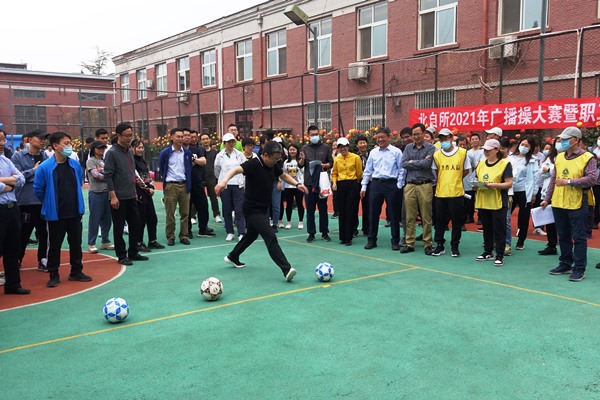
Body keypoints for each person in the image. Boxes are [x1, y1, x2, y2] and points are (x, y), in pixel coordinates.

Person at [216, 141, 308, 282]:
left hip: (263, 208)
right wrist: (223, 182)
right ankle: (286, 269)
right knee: (270, 236)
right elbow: (235, 170)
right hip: (251, 209)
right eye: (274, 159)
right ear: (265, 155)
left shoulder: (272, 165)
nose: (276, 162)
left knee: (251, 235)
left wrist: (297, 184)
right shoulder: (253, 164)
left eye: (278, 159)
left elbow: (283, 176)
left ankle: (233, 256)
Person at [33, 131, 92, 287]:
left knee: (76, 244)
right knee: (54, 245)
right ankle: (53, 273)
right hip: (55, 214)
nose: (69, 146)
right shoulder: (45, 167)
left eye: (70, 143)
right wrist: (49, 202)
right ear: (55, 146)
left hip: (74, 212)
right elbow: (38, 190)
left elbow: (79, 182)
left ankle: (76, 271)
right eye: (66, 143)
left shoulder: (75, 165)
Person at [541, 127, 597, 282]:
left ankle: (579, 268)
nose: (563, 141)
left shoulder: (588, 157)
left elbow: (592, 179)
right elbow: (554, 179)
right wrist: (547, 198)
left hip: (577, 202)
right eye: (562, 139)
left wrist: (569, 182)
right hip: (559, 202)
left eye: (566, 139)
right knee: (563, 236)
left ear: (576, 140)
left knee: (579, 237)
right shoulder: (559, 157)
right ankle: (565, 263)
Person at [103, 123, 148, 266]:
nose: (129, 138)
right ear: (118, 135)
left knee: (136, 224)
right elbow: (108, 176)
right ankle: (121, 255)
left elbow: (132, 174)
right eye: (127, 136)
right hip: (119, 197)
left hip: (131, 196)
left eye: (131, 135)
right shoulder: (111, 153)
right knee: (119, 227)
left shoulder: (129, 152)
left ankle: (133, 251)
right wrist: (113, 196)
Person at [360, 127, 404, 250]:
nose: (380, 140)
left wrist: (399, 185)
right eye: (378, 137)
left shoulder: (396, 152)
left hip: (392, 184)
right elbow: (368, 170)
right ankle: (372, 240)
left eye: (383, 137)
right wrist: (364, 186)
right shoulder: (373, 152)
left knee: (394, 214)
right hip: (376, 184)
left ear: (388, 137)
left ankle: (395, 241)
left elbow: (401, 169)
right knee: (373, 213)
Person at [11, 129, 49, 272]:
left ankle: (43, 259)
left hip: (43, 202)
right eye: (39, 138)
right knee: (23, 233)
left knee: (44, 233)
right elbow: (17, 178)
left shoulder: (45, 156)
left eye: (44, 138)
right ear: (29, 139)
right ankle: (17, 259)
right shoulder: (18, 156)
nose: (42, 141)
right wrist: (34, 170)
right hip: (26, 202)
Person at [474, 139, 513, 267]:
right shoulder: (481, 164)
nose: (486, 152)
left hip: (498, 201)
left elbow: (509, 183)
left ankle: (500, 254)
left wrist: (494, 185)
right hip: (484, 200)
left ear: (497, 150)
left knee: (499, 229)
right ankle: (488, 251)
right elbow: (477, 180)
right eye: (485, 150)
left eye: (489, 150)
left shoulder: (505, 164)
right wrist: (476, 186)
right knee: (487, 228)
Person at [0, 130, 30, 294]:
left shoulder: (6, 160)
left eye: (3, 139)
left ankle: (13, 284)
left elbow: (21, 179)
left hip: (12, 209)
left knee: (13, 248)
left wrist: (4, 182)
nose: (2, 143)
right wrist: (8, 184)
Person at [431, 129, 469, 257]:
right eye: (441, 139)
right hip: (440, 193)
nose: (444, 141)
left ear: (452, 138)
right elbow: (436, 172)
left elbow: (466, 170)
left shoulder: (462, 153)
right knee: (439, 221)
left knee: (457, 221)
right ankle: (439, 245)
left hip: (456, 192)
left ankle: (455, 246)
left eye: (446, 138)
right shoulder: (437, 155)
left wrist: (455, 180)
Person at [401, 123, 436, 255]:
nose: (415, 136)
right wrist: (418, 162)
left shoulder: (430, 148)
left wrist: (412, 162)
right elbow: (404, 164)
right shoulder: (408, 148)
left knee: (426, 216)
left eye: (418, 134)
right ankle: (409, 243)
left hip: (425, 184)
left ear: (424, 133)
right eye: (413, 134)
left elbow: (427, 164)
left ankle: (428, 243)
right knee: (409, 216)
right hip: (410, 184)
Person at [159, 128, 193, 246]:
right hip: (171, 186)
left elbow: (189, 169)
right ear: (172, 137)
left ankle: (184, 235)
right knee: (170, 213)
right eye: (178, 136)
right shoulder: (165, 153)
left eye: (181, 137)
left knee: (185, 213)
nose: (180, 139)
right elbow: (162, 168)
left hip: (184, 185)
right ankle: (170, 236)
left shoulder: (187, 153)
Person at [299, 125, 333, 243]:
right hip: (309, 183)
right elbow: (300, 165)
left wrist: (325, 165)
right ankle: (311, 233)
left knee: (323, 209)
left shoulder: (325, 147)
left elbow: (331, 163)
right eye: (312, 135)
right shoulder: (304, 148)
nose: (315, 136)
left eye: (316, 134)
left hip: (321, 183)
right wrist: (302, 159)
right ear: (308, 136)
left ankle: (325, 233)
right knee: (310, 210)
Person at [507, 136, 540, 251]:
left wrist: (534, 193)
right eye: (522, 144)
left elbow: (536, 177)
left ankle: (521, 240)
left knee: (523, 217)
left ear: (531, 148)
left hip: (524, 191)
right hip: (510, 190)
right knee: (506, 215)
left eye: (527, 146)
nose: (523, 147)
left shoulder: (532, 160)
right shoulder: (511, 157)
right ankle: (503, 239)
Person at [131, 139, 165, 250]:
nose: (140, 150)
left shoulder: (142, 161)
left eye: (142, 147)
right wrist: (147, 188)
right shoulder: (131, 161)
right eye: (138, 147)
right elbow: (136, 178)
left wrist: (151, 186)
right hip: (138, 193)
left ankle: (152, 240)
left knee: (152, 218)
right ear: (132, 148)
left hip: (147, 193)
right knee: (140, 219)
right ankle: (138, 242)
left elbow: (147, 176)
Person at [183, 129, 215, 240]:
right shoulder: (180, 150)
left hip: (197, 182)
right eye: (186, 135)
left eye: (190, 136)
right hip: (184, 183)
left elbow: (203, 161)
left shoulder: (197, 149)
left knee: (203, 205)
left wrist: (193, 160)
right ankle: (187, 230)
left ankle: (203, 228)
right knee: (186, 208)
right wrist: (195, 161)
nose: (189, 138)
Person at [214, 132, 247, 241]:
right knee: (227, 209)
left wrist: (244, 183)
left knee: (239, 209)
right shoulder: (219, 155)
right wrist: (222, 180)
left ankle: (241, 232)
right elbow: (217, 170)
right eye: (228, 142)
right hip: (225, 186)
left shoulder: (240, 154)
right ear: (224, 143)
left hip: (238, 184)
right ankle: (230, 232)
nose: (231, 144)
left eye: (232, 141)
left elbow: (245, 168)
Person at [332, 137, 363, 246]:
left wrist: (356, 183)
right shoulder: (337, 159)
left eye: (344, 146)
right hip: (341, 185)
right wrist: (334, 183)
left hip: (352, 184)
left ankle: (349, 237)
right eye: (340, 147)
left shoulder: (355, 157)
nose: (343, 149)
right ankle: (343, 237)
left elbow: (359, 173)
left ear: (348, 147)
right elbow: (334, 173)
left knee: (350, 210)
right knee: (342, 210)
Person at [85, 140, 114, 253]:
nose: (102, 150)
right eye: (99, 148)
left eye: (103, 148)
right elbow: (96, 175)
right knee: (95, 219)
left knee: (107, 219)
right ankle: (91, 243)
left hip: (107, 193)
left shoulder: (105, 161)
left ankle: (105, 241)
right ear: (94, 149)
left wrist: (107, 174)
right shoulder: (91, 161)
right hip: (96, 193)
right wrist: (109, 176)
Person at [538, 139, 558, 256]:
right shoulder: (549, 158)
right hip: (547, 192)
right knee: (549, 220)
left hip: (561, 193)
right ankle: (551, 244)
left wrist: (550, 170)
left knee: (562, 221)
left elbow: (558, 173)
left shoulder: (568, 158)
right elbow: (542, 171)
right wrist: (549, 171)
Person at [200, 132, 222, 223]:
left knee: (213, 197)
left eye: (206, 139)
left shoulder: (214, 152)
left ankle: (216, 215)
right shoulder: (199, 151)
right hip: (200, 177)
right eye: (203, 139)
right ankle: (193, 216)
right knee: (198, 197)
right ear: (200, 141)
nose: (205, 141)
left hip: (211, 177)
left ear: (209, 140)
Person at [282, 143, 305, 230]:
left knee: (299, 203)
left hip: (299, 185)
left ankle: (301, 221)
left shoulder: (300, 161)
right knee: (289, 204)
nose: (292, 151)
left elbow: (303, 170)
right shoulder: (286, 162)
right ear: (288, 151)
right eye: (290, 150)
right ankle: (288, 221)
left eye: (294, 149)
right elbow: (284, 173)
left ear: (297, 150)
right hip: (288, 186)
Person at [354, 134, 371, 236]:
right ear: (357, 145)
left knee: (367, 206)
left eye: (364, 143)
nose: (362, 145)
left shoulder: (372, 155)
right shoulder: (354, 157)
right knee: (354, 206)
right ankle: (354, 229)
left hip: (369, 183)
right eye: (360, 143)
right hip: (356, 183)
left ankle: (367, 229)